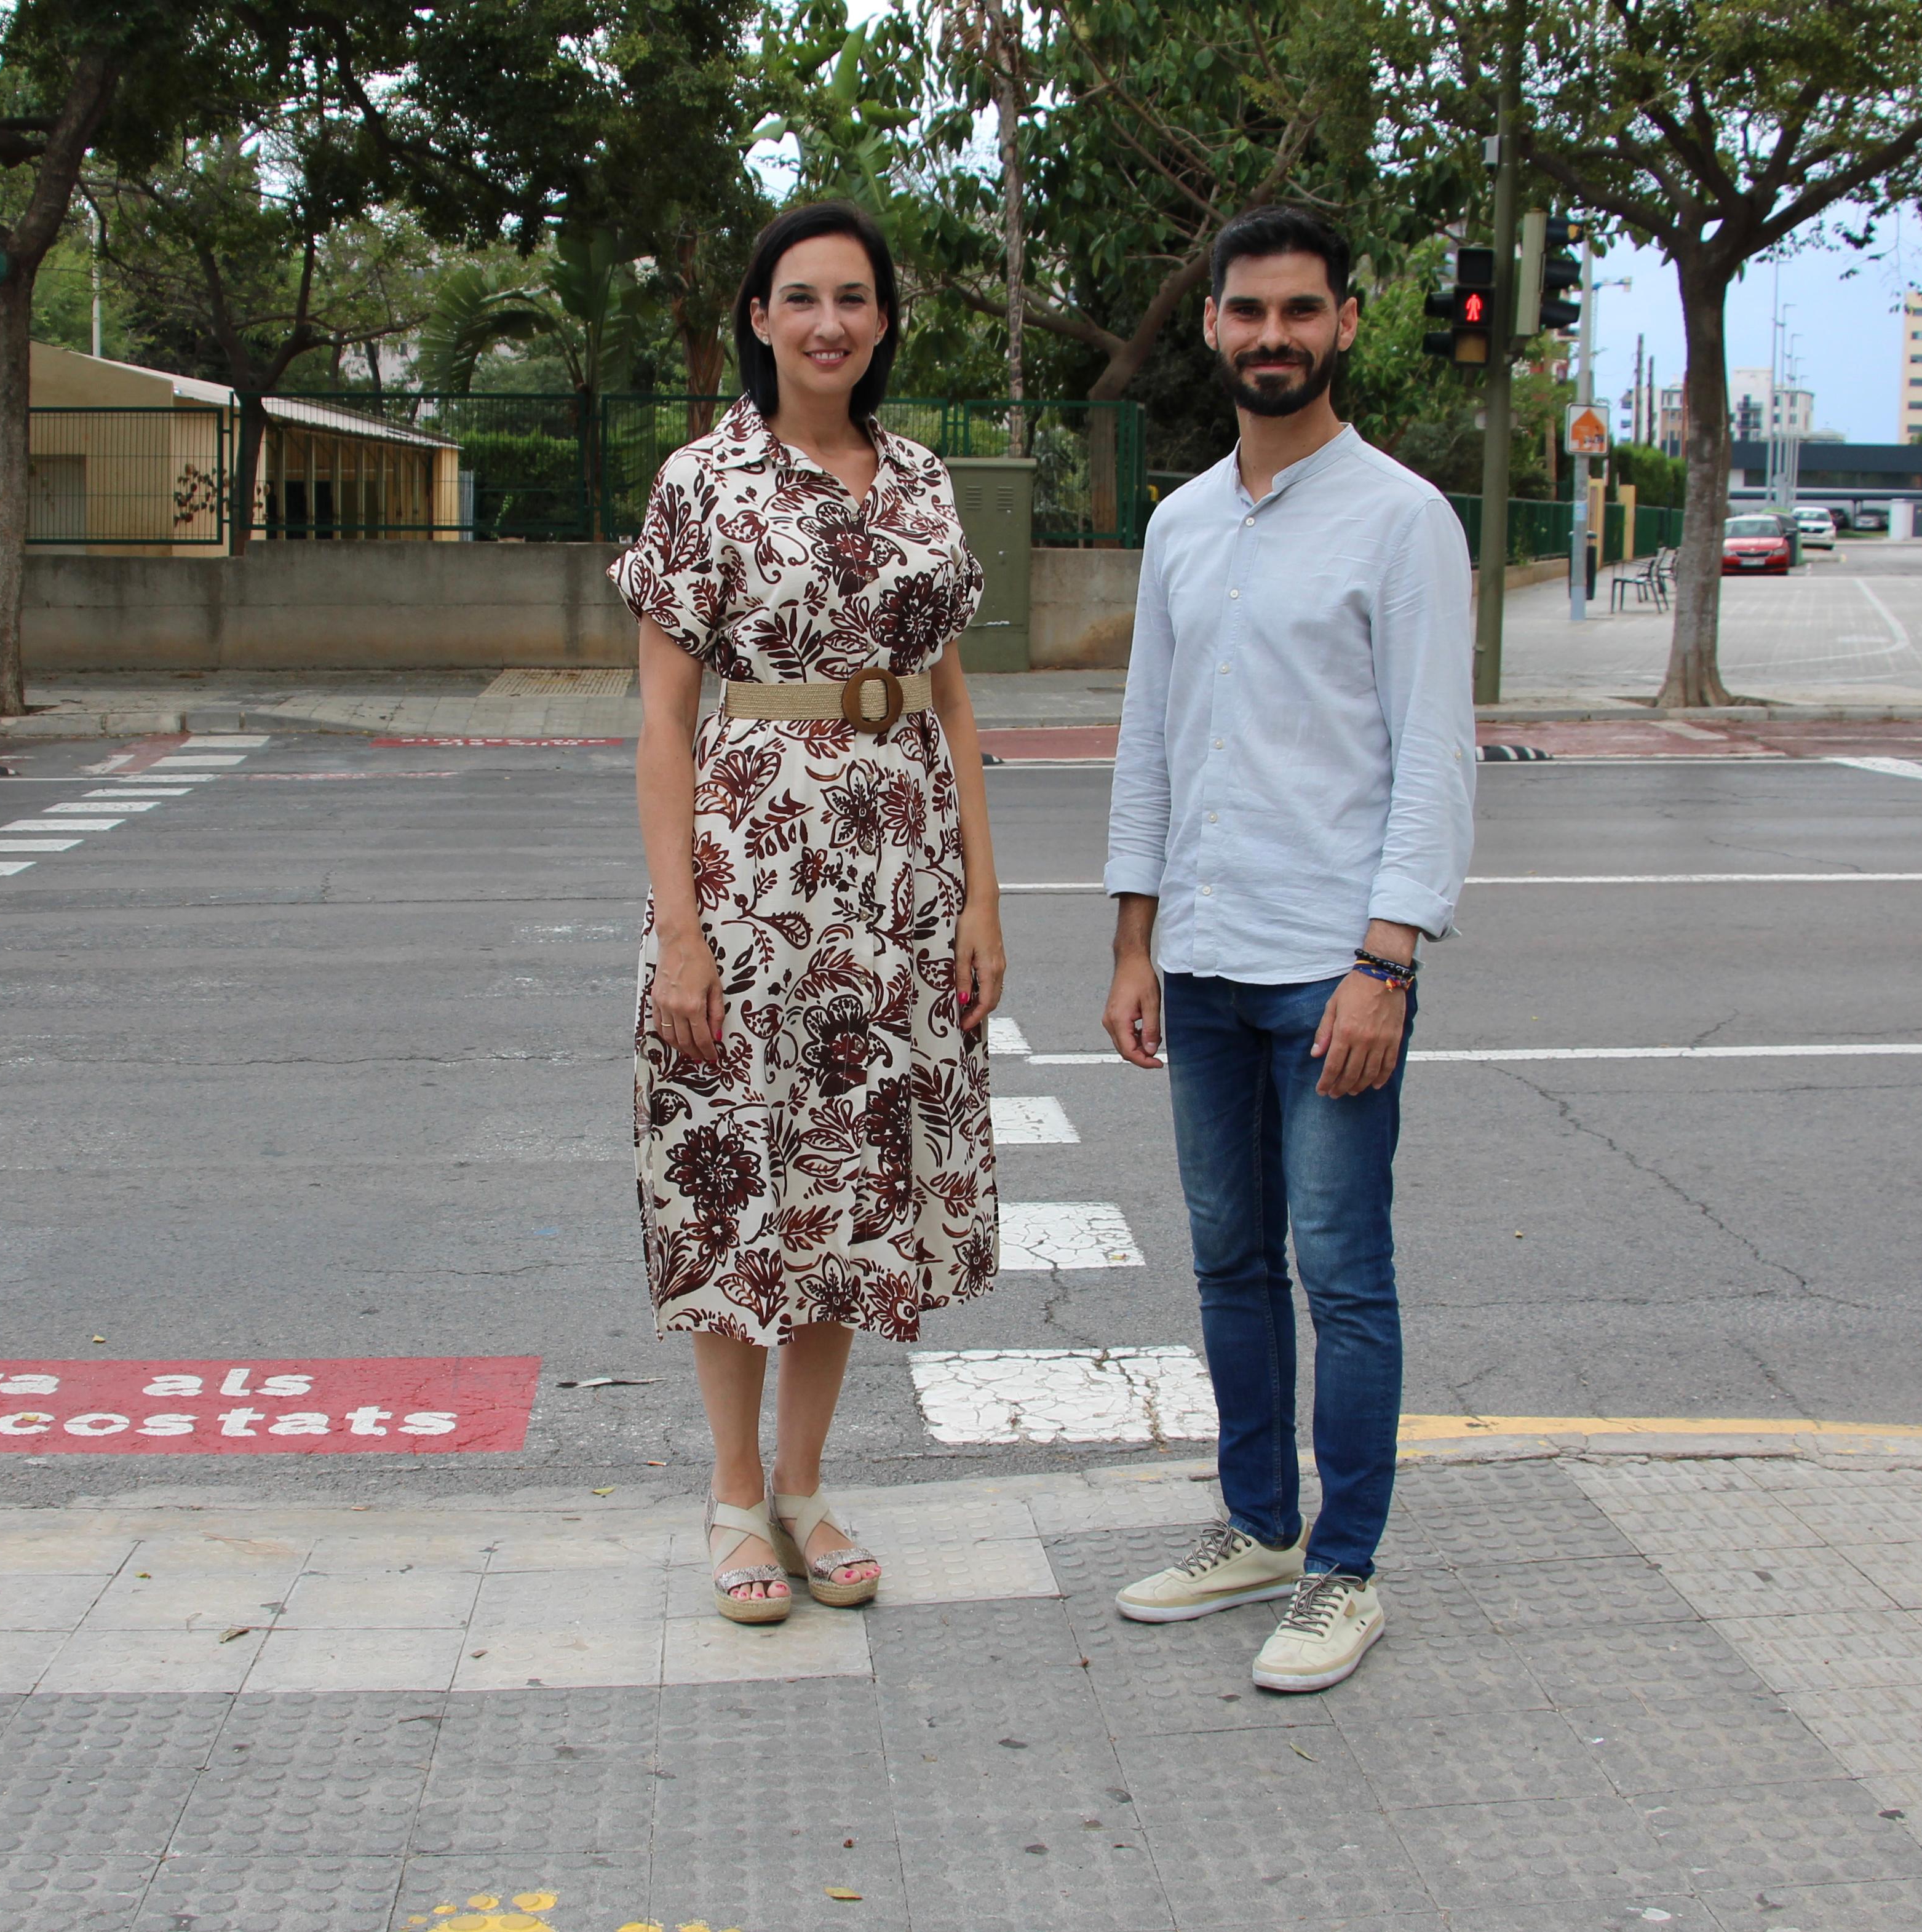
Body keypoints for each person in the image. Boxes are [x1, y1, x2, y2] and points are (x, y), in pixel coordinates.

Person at [611, 199, 1006, 1625]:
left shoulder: (921, 481)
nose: (827, 321)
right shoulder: (699, 481)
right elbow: (663, 721)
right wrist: (680, 927)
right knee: (730, 1174)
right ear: (759, 319)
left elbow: (952, 698)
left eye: (852, 297)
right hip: (749, 872)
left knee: (848, 1181)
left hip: (897, 883)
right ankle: (729, 1497)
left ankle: (802, 1485)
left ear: (884, 320)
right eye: (799, 298)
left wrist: (979, 893)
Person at [1100, 203, 1475, 1691]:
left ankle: (1341, 1569)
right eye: (1246, 313)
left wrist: (1384, 961)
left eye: (1298, 312)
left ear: (1344, 324)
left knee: (1341, 1269)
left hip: (1331, 972)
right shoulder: (1181, 522)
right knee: (1227, 1261)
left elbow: (1431, 759)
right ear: (1211, 326)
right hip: (1196, 962)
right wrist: (1131, 940)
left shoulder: (1402, 519)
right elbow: (1147, 743)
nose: (1272, 337)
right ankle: (1255, 1527)